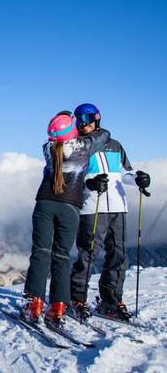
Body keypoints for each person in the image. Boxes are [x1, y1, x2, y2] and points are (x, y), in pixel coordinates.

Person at [22, 111, 110, 328]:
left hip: (44, 203)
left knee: (40, 253)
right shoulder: (84, 147)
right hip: (70, 207)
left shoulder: (47, 148)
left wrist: (64, 121)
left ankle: (34, 305)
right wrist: (81, 126)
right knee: (61, 256)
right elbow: (104, 135)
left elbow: (58, 138)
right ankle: (58, 308)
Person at [69, 103, 151, 322]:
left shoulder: (115, 145)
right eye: (78, 119)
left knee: (118, 255)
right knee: (88, 253)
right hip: (91, 207)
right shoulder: (77, 146)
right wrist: (91, 183)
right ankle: (76, 298)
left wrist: (138, 179)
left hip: (117, 205)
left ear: (97, 118)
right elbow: (72, 177)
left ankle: (111, 299)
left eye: (87, 117)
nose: (83, 123)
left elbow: (125, 173)